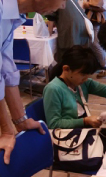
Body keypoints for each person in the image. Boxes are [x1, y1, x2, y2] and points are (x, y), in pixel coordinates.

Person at [0, 0, 66, 165]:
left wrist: (20, 120)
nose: (63, 6)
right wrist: (7, 131)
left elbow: (6, 68)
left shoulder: (11, 14)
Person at [43, 45, 106, 130]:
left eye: (88, 75)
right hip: (69, 136)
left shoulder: (82, 83)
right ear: (66, 69)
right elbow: (54, 124)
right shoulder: (53, 89)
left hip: (83, 130)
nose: (86, 79)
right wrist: (84, 121)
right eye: (83, 74)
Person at [47, 0, 90, 64]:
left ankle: (69, 70)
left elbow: (51, 18)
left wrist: (48, 34)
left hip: (70, 27)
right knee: (80, 52)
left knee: (68, 52)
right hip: (81, 26)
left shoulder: (54, 2)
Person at [83, 0, 106, 79]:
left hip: (99, 20)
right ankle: (103, 64)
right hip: (95, 20)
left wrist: (88, 5)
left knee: (95, 43)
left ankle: (104, 66)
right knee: (95, 43)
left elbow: (105, 7)